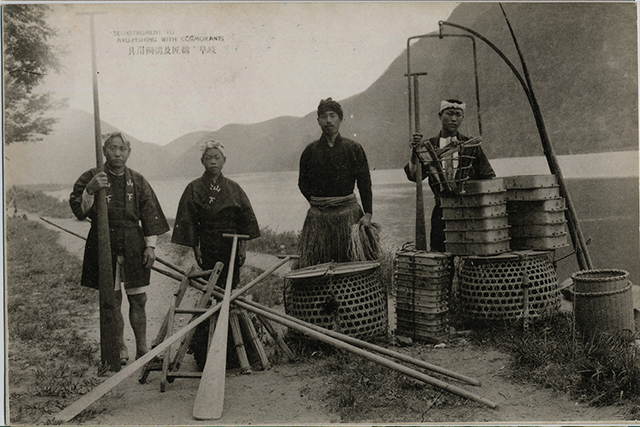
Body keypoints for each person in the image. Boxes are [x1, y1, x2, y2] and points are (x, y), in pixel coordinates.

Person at [69, 132, 169, 364]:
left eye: (122, 149)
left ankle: (142, 349)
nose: (117, 153)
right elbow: (79, 211)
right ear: (104, 151)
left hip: (134, 241)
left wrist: (150, 247)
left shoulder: (138, 180)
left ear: (129, 152)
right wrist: (91, 190)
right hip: (103, 241)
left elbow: (150, 214)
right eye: (112, 148)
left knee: (139, 299)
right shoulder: (92, 176)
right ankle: (120, 347)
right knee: (112, 299)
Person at [171, 139, 260, 370]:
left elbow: (245, 221)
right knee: (209, 293)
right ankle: (205, 350)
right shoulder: (194, 188)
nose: (213, 161)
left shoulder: (233, 188)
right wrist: (195, 246)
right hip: (208, 245)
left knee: (230, 293)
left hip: (231, 244)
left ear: (224, 161)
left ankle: (233, 352)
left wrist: (242, 247)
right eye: (208, 158)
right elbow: (188, 220)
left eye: (217, 158)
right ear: (202, 161)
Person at [405, 99, 495, 252]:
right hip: (441, 210)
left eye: (458, 115)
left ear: (463, 117)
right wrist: (416, 151)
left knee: (472, 253)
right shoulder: (429, 146)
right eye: (449, 114)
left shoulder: (471, 145)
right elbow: (414, 176)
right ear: (440, 115)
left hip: (469, 209)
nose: (454, 119)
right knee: (440, 254)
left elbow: (488, 177)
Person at [297, 98, 373, 268]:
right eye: (323, 116)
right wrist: (319, 205)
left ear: (340, 118)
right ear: (318, 121)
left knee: (352, 266)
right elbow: (302, 183)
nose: (328, 120)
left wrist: (368, 213)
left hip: (349, 217)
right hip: (318, 219)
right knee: (317, 266)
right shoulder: (310, 151)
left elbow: (365, 184)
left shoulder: (354, 148)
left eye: (333, 115)